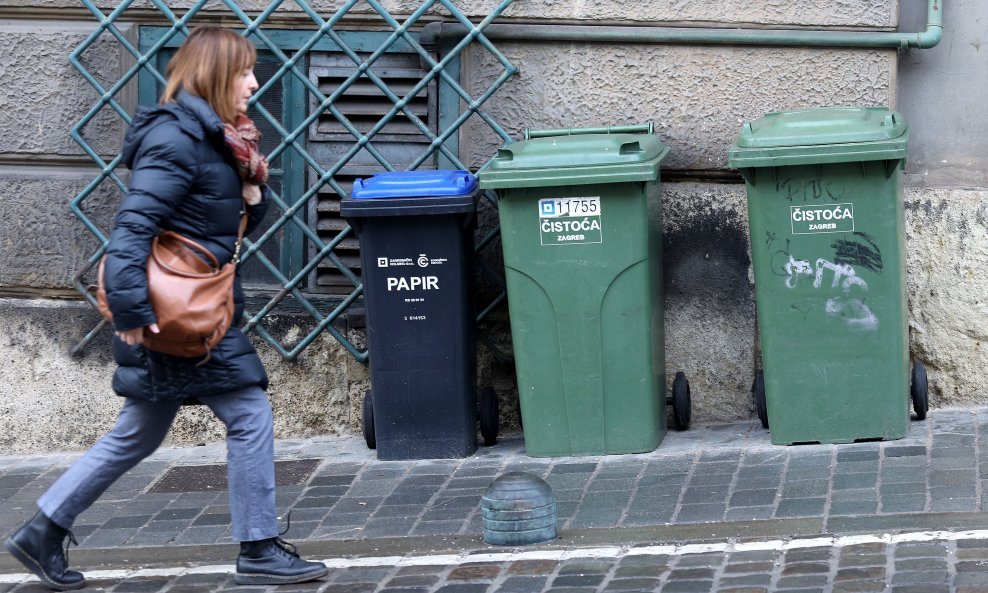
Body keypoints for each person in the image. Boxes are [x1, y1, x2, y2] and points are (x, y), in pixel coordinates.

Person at [4, 26, 327, 591]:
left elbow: (220, 224)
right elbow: (132, 229)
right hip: (177, 314)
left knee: (139, 433)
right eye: (244, 71)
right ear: (215, 76)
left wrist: (255, 194)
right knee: (248, 415)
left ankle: (43, 529)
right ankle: (258, 549)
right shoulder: (177, 139)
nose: (254, 81)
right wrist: (129, 313)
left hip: (197, 308)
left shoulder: (222, 141)